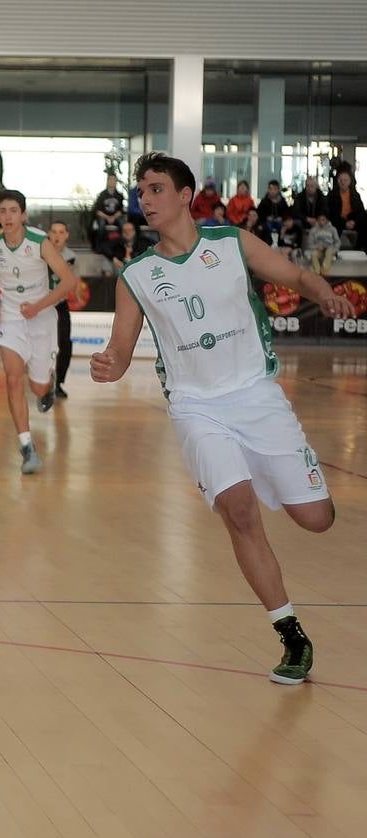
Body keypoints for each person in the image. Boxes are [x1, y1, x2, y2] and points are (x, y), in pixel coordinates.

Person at [91, 151, 354, 686]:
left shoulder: (231, 243)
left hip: (257, 397)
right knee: (238, 512)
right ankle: (291, 635)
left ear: (186, 196)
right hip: (196, 407)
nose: (146, 199)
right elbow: (120, 350)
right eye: (142, 191)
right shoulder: (137, 275)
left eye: (156, 189)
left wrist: (325, 292)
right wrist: (109, 364)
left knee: (316, 518)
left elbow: (295, 274)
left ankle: (271, 471)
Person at [0, 189, 78, 474]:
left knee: (36, 387)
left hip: (40, 316)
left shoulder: (40, 242)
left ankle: (46, 384)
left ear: (23, 215)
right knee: (12, 378)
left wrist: (38, 306)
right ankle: (27, 446)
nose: (8, 216)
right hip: (10, 318)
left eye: (13, 210)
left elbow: (68, 281)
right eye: (3, 211)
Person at [47, 220, 78, 399]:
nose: (57, 236)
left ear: (66, 235)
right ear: (49, 234)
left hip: (59, 304)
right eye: (54, 232)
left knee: (65, 343)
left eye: (61, 232)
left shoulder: (71, 256)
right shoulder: (40, 254)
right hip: (41, 304)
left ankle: (58, 383)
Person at [327, 169, 363, 250]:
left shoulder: (355, 195)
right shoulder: (332, 195)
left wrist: (354, 221)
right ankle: (334, 250)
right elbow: (331, 213)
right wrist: (344, 223)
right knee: (333, 224)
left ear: (349, 182)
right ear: (338, 181)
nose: (343, 182)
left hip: (352, 220)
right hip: (338, 221)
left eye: (345, 180)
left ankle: (359, 249)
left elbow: (361, 212)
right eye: (340, 180)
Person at [92, 173, 126, 251]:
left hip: (116, 217)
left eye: (114, 180)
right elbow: (98, 211)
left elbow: (121, 211)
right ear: (107, 182)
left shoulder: (119, 195)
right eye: (110, 180)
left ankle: (121, 246)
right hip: (103, 216)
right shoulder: (102, 195)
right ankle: (100, 247)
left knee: (123, 225)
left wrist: (113, 217)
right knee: (101, 225)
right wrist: (108, 217)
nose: (112, 182)